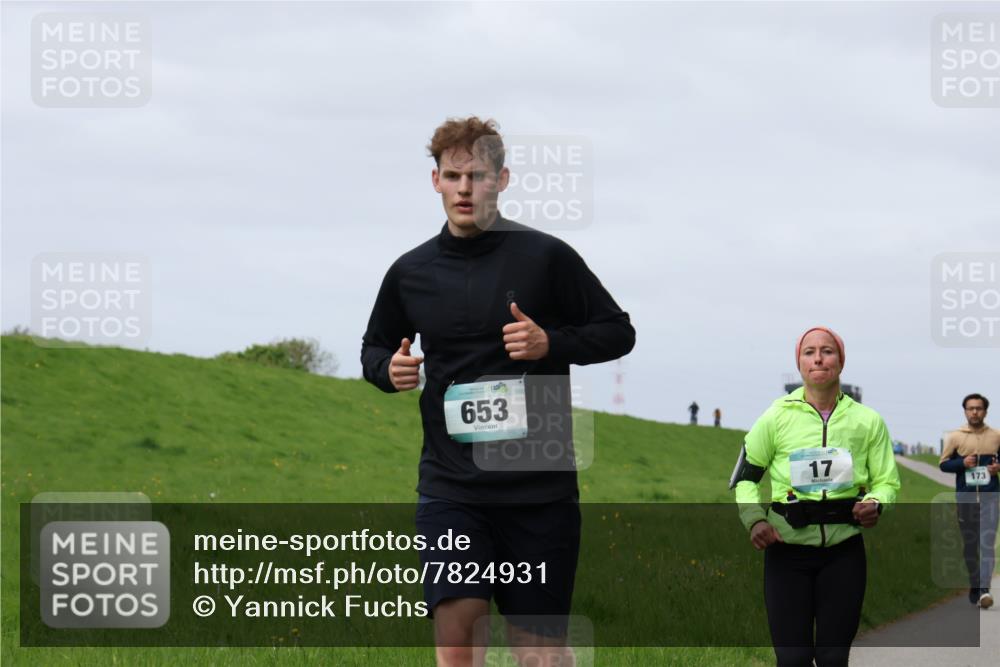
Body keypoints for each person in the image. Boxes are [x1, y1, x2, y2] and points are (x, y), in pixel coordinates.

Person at [361, 117, 635, 667]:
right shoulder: (409, 272)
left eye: (478, 175)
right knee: (458, 639)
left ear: (502, 179)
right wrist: (388, 370)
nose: (465, 188)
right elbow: (373, 347)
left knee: (539, 657)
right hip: (451, 488)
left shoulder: (546, 257)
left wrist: (549, 342)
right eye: (454, 175)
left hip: (539, 493)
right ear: (434, 180)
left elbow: (617, 331)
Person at [730, 327, 900, 667]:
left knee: (833, 658)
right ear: (799, 362)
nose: (818, 358)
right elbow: (746, 478)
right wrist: (755, 519)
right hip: (786, 553)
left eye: (827, 351)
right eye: (809, 352)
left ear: (841, 361)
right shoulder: (775, 417)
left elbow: (887, 482)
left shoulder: (867, 421)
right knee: (793, 660)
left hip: (844, 554)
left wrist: (876, 503)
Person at [938, 393, 1000, 609]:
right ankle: (975, 585)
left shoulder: (996, 436)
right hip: (965, 498)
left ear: (985, 411)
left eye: (979, 408)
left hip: (990, 498)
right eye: (971, 408)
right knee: (970, 546)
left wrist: (997, 467)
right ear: (965, 411)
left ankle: (984, 590)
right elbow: (944, 464)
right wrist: (962, 463)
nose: (975, 412)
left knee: (987, 544)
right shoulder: (955, 436)